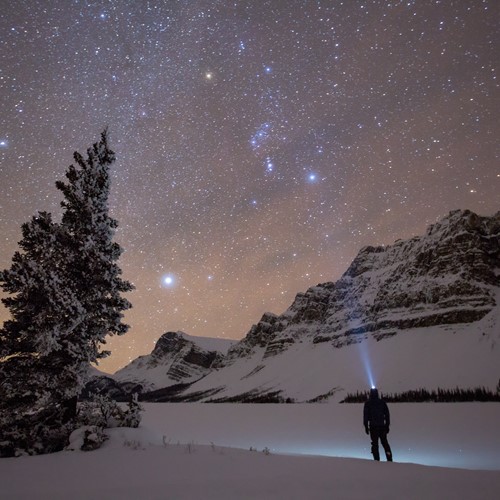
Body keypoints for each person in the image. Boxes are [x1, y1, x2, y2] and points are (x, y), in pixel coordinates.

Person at [363, 388, 393, 461]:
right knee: (385, 443)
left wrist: (366, 426)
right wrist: (387, 425)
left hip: (373, 427)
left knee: (375, 444)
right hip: (381, 427)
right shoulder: (382, 402)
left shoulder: (368, 403)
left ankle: (376, 460)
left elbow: (365, 416)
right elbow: (387, 415)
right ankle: (389, 459)